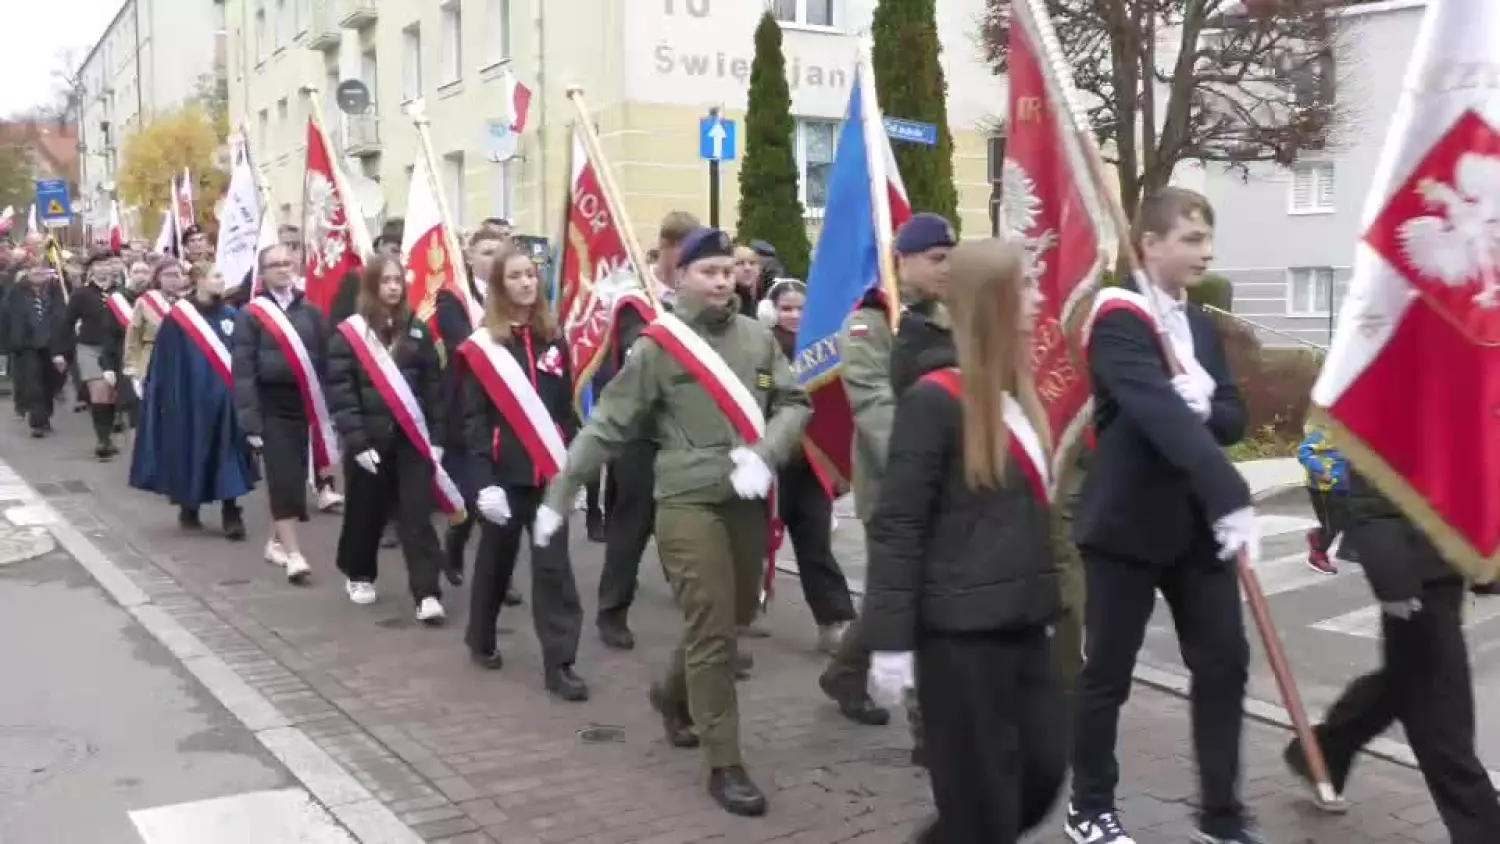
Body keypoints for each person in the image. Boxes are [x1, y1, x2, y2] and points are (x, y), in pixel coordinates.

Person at [535, 226, 810, 816]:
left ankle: (668, 693)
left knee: (736, 615)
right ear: (680, 277)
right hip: (687, 503)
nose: (719, 280)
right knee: (712, 628)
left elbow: (794, 403)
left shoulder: (758, 339)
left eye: (725, 270)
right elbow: (608, 423)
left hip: (746, 497)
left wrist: (767, 454)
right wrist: (560, 493)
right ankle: (725, 762)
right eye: (706, 272)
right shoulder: (659, 348)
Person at [1065, 187, 1260, 844]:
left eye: (1208, 238)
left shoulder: (1201, 326)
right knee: (1107, 675)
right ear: (1148, 244)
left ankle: (1221, 815)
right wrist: (1227, 484)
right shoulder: (1118, 318)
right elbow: (1149, 409)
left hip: (1196, 530)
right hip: (1126, 528)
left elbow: (1233, 418)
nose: (1204, 251)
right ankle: (1089, 805)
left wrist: (1206, 405)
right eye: (1190, 238)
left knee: (1225, 664)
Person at [863, 238, 1063, 843]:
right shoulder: (935, 400)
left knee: (1043, 774)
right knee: (985, 810)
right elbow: (899, 524)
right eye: (1025, 288)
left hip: (1026, 625)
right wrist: (890, 641)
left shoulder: (1022, 399)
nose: (1037, 300)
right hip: (959, 639)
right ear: (993, 302)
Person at [1282, 471, 1500, 844]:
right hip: (1415, 575)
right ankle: (1483, 831)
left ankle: (1324, 750)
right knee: (1441, 713)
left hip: (1445, 564)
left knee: (1404, 683)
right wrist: (1393, 578)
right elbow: (1372, 497)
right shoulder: (1399, 414)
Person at [820, 212, 958, 735]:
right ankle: (931, 727)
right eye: (936, 258)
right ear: (901, 262)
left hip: (949, 486)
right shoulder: (867, 325)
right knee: (914, 599)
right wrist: (934, 457)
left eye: (952, 258)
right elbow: (875, 407)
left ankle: (843, 673)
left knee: (891, 595)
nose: (949, 268)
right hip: (894, 488)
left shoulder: (948, 318)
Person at [460, 245, 588, 700]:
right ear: (499, 286)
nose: (526, 283)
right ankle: (480, 635)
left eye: (531, 275)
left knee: (554, 568)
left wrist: (575, 470)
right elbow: (472, 421)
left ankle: (561, 663)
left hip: (549, 474)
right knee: (496, 562)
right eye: (515, 276)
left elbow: (565, 411)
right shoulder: (484, 347)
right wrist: (481, 483)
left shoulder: (555, 338)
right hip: (503, 475)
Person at [593, 211, 699, 651]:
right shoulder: (636, 300)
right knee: (630, 527)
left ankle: (707, 623)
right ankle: (611, 612)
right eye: (689, 255)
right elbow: (636, 355)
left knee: (693, 530)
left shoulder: (697, 297)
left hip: (685, 434)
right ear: (670, 247)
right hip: (639, 433)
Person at [326, 255, 448, 624]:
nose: (393, 287)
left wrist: (438, 436)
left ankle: (427, 591)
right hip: (370, 441)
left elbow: (433, 386)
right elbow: (341, 390)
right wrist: (357, 441)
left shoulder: (417, 330)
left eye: (398, 280)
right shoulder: (351, 333)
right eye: (386, 281)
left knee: (417, 516)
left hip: (412, 439)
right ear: (371, 286)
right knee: (366, 513)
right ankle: (359, 572)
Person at [129, 262, 254, 540]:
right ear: (199, 280)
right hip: (190, 399)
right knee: (192, 451)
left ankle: (231, 511)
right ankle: (189, 507)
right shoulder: (179, 318)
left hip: (226, 401)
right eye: (217, 276)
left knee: (229, 453)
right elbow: (166, 362)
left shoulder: (233, 315)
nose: (222, 281)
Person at [765, 279, 858, 651]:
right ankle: (738, 619)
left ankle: (834, 621)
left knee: (816, 546)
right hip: (770, 467)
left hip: (810, 468)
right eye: (785, 308)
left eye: (800, 308)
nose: (793, 315)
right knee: (753, 547)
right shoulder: (761, 346)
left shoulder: (829, 351)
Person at [231, 244, 331, 585]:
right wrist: (250, 419)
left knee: (297, 477)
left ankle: (274, 541)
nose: (283, 270)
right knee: (283, 476)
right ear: (263, 272)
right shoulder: (251, 314)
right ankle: (294, 554)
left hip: (307, 403)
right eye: (275, 265)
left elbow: (327, 362)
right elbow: (243, 370)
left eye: (288, 263)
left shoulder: (313, 313)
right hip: (271, 405)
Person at [62, 252, 127, 459]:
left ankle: (111, 429)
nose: (103, 268)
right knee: (100, 393)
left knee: (113, 394)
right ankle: (103, 438)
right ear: (91, 269)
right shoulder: (81, 294)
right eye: (98, 264)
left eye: (107, 264)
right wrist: (61, 351)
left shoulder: (122, 293)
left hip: (117, 350)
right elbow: (67, 323)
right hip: (90, 347)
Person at [1, 259, 68, 437]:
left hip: (51, 345)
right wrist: (7, 344)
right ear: (27, 274)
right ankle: (36, 422)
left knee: (50, 382)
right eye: (34, 271)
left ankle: (45, 415)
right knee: (33, 383)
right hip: (27, 345)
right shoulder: (16, 292)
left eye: (42, 271)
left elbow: (62, 317)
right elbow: (7, 318)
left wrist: (62, 346)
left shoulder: (55, 290)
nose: (39, 274)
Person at [1297, 423, 1353, 575]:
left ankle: (1317, 536)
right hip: (1323, 487)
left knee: (1343, 519)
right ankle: (1317, 555)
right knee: (1331, 525)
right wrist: (1321, 471)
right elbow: (1303, 453)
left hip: (1344, 485)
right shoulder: (1323, 432)